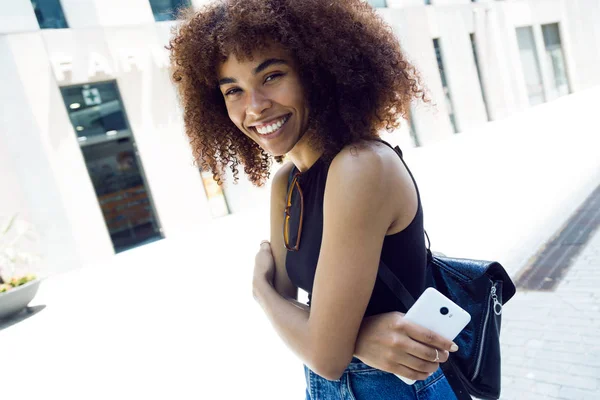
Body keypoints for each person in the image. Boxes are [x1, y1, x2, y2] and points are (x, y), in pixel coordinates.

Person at [168, 0, 459, 398]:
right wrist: (356, 336)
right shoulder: (286, 180)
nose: (254, 106)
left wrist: (260, 291)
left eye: (271, 76)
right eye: (233, 90)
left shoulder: (361, 167)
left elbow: (321, 350)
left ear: (317, 72)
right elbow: (300, 314)